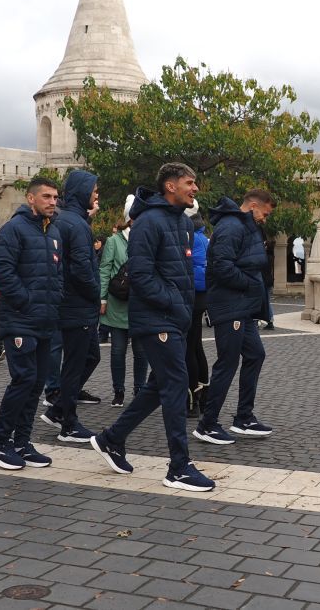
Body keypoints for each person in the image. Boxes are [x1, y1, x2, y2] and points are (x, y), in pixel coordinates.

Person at [89, 163, 215, 491]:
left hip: (174, 318)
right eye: (190, 182)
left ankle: (111, 439)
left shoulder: (183, 223)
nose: (195, 188)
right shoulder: (148, 222)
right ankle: (178, 467)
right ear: (170, 186)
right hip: (157, 319)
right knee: (176, 384)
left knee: (160, 386)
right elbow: (141, 276)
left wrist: (183, 308)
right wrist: (174, 303)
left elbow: (181, 272)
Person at [0, 176, 63, 470]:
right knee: (24, 380)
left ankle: (22, 442)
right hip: (20, 320)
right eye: (46, 197)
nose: (52, 202)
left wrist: (54, 300)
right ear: (31, 198)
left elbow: (58, 273)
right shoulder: (14, 229)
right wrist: (26, 300)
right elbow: (1, 272)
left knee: (37, 382)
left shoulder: (52, 231)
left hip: (45, 321)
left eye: (55, 197)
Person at [194, 189, 276, 445]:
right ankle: (207, 424)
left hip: (241, 307)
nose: (265, 219)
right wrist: (250, 285)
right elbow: (221, 266)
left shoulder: (242, 226)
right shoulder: (231, 227)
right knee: (227, 364)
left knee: (255, 354)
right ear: (253, 206)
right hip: (230, 306)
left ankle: (244, 418)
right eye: (264, 214)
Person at [41, 169, 101, 444]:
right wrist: (95, 294)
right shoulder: (76, 225)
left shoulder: (69, 220)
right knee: (77, 363)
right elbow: (81, 268)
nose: (96, 195)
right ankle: (68, 423)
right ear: (82, 191)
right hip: (77, 305)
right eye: (94, 190)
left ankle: (59, 409)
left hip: (71, 304)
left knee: (88, 357)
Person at [100, 201, 146, 408]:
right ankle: (118, 391)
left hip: (140, 304)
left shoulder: (147, 239)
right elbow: (104, 270)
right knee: (118, 351)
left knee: (141, 352)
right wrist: (102, 298)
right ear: (131, 219)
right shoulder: (113, 241)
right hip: (118, 303)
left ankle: (140, 389)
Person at [185, 205, 209, 418]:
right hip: (201, 297)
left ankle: (192, 399)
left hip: (191, 296)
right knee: (196, 346)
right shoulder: (202, 237)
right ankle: (204, 395)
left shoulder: (190, 237)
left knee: (189, 350)